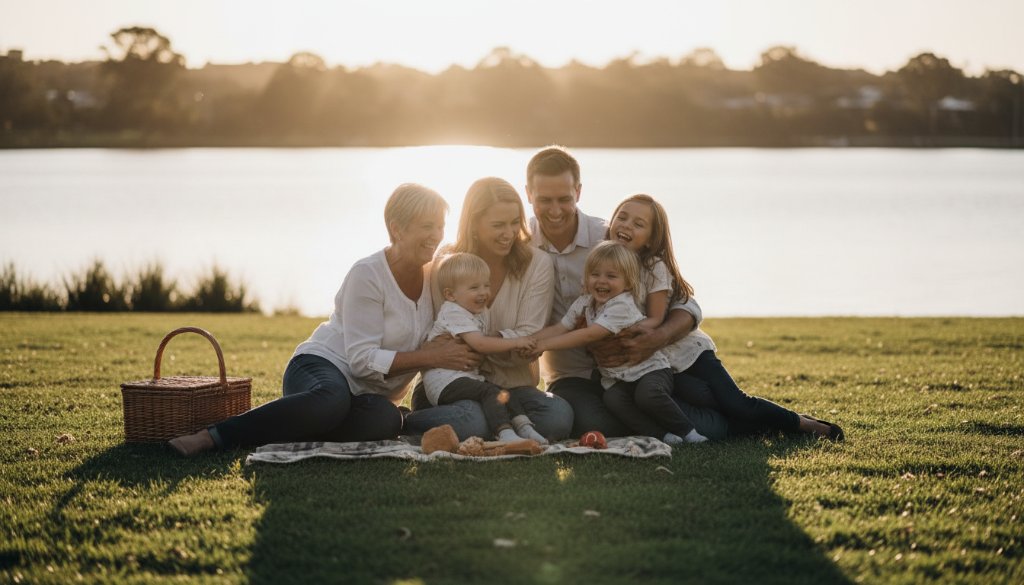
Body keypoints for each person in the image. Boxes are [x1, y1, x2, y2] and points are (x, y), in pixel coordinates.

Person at [168, 184, 480, 456]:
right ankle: (215, 435)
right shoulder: (368, 274)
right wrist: (432, 356)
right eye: (427, 226)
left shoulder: (436, 278)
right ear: (397, 228)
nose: (436, 237)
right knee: (331, 401)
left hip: (367, 397)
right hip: (321, 368)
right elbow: (360, 360)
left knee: (387, 421)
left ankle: (303, 423)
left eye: (440, 227)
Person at [606, 193, 845, 440]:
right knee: (707, 404)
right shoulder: (606, 266)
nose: (626, 225)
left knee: (737, 403)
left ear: (650, 239)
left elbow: (657, 316)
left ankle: (809, 426)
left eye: (638, 223)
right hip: (664, 363)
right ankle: (766, 428)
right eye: (621, 217)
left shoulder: (653, 268)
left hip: (691, 352)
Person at [404, 177, 574, 441]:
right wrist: (503, 341)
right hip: (450, 384)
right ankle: (405, 421)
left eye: (515, 222)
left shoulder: (536, 263)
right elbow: (434, 336)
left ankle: (493, 426)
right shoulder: (447, 262)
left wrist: (477, 345)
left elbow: (527, 344)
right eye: (498, 225)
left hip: (511, 385)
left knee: (557, 416)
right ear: (474, 224)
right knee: (471, 419)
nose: (509, 233)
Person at [526, 241, 708, 445]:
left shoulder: (621, 305)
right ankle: (660, 435)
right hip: (617, 377)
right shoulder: (585, 302)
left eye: (611, 276)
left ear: (628, 283)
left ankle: (688, 431)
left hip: (649, 369)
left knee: (648, 395)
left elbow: (589, 335)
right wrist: (530, 340)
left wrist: (544, 346)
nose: (601, 281)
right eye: (595, 274)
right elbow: (561, 327)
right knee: (614, 400)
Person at [422, 252, 548, 444]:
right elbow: (480, 344)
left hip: (463, 377)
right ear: (450, 294)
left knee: (504, 393)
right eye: (474, 287)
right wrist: (516, 341)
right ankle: (504, 434)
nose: (483, 292)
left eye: (486, 285)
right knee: (490, 393)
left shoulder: (476, 312)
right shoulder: (453, 311)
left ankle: (524, 427)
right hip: (443, 381)